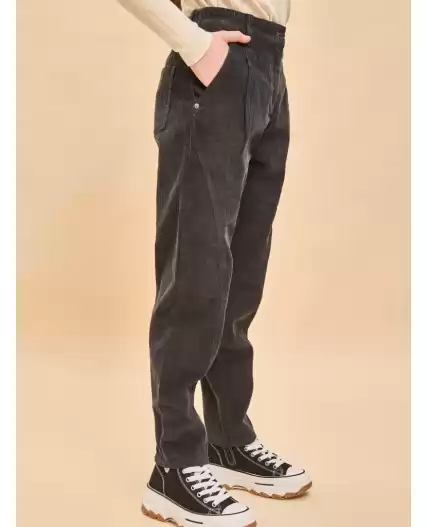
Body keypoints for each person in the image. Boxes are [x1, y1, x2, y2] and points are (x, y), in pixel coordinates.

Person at [116, 1, 312, 525]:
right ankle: (175, 464)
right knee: (196, 275)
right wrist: (194, 43)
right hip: (215, 59)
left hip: (268, 65)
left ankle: (227, 440)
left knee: (242, 276)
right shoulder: (206, 51)